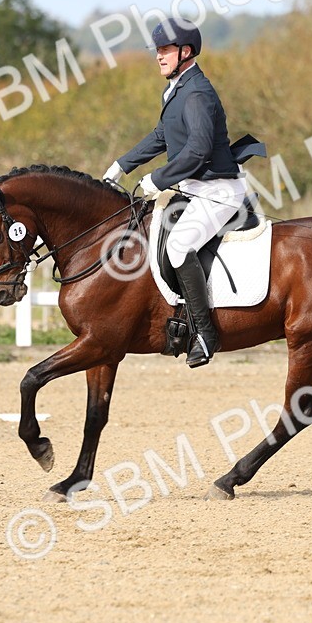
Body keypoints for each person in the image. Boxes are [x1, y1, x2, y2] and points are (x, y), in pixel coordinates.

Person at [102, 19, 248, 367]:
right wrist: (122, 165)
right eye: (157, 50)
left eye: (165, 50)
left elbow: (197, 152)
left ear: (186, 52)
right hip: (193, 188)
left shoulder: (197, 93)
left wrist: (159, 179)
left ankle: (205, 334)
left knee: (180, 246)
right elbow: (161, 136)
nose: (159, 57)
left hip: (217, 190)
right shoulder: (178, 89)